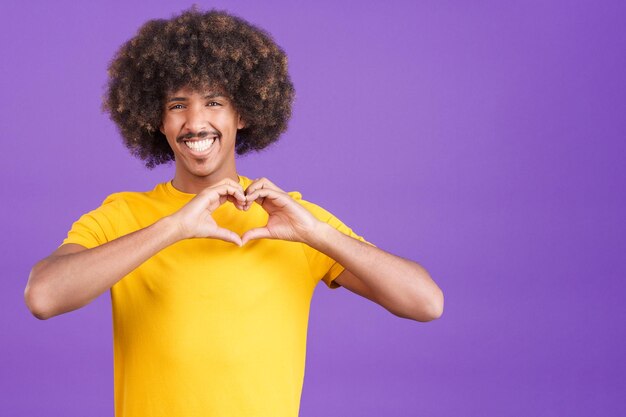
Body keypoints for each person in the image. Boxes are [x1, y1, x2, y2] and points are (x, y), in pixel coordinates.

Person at [24, 7, 444, 417]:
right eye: (176, 105)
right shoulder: (122, 216)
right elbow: (43, 296)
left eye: (213, 102)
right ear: (157, 120)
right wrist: (172, 227)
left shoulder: (292, 221)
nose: (194, 122)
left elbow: (426, 303)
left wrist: (318, 234)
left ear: (242, 113)